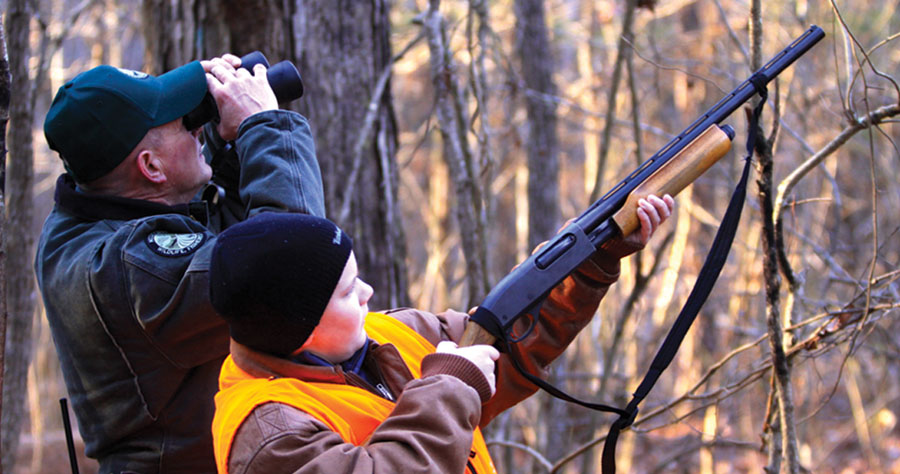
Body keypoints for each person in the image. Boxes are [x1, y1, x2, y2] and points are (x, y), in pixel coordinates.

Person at [208, 195, 673, 473]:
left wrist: (590, 258)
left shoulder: (390, 334)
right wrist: (451, 385)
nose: (368, 292)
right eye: (349, 291)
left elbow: (510, 339)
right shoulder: (269, 434)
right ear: (302, 332)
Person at [35, 54, 325, 473]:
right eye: (182, 123)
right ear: (151, 167)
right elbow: (293, 267)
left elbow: (218, 251)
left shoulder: (80, 222)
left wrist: (227, 152)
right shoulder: (129, 268)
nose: (197, 126)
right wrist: (265, 127)